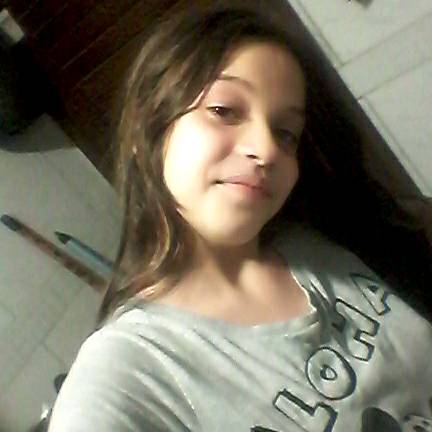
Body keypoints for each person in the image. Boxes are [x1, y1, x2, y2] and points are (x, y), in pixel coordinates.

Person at [48, 4, 432, 432]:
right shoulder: (129, 375)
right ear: (146, 130)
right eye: (224, 110)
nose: (267, 150)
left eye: (285, 133)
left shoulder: (312, 239)